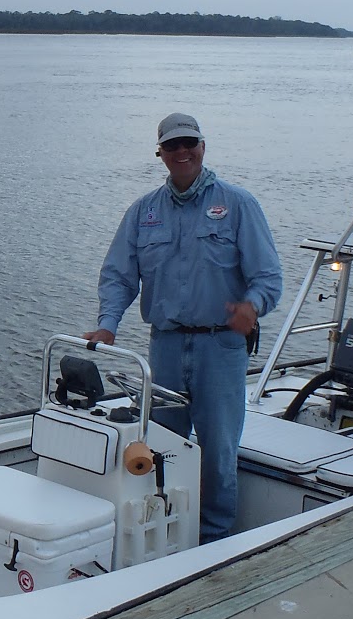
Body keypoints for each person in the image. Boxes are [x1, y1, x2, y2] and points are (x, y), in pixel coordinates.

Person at [84, 112, 283, 543]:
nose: (182, 152)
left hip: (221, 348)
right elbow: (119, 276)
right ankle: (162, 535)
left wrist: (253, 306)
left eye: (189, 142)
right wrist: (107, 326)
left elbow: (269, 277)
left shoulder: (239, 205)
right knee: (160, 448)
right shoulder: (142, 212)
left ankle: (212, 539)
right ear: (160, 154)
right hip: (166, 348)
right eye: (172, 146)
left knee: (218, 454)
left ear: (203, 146)